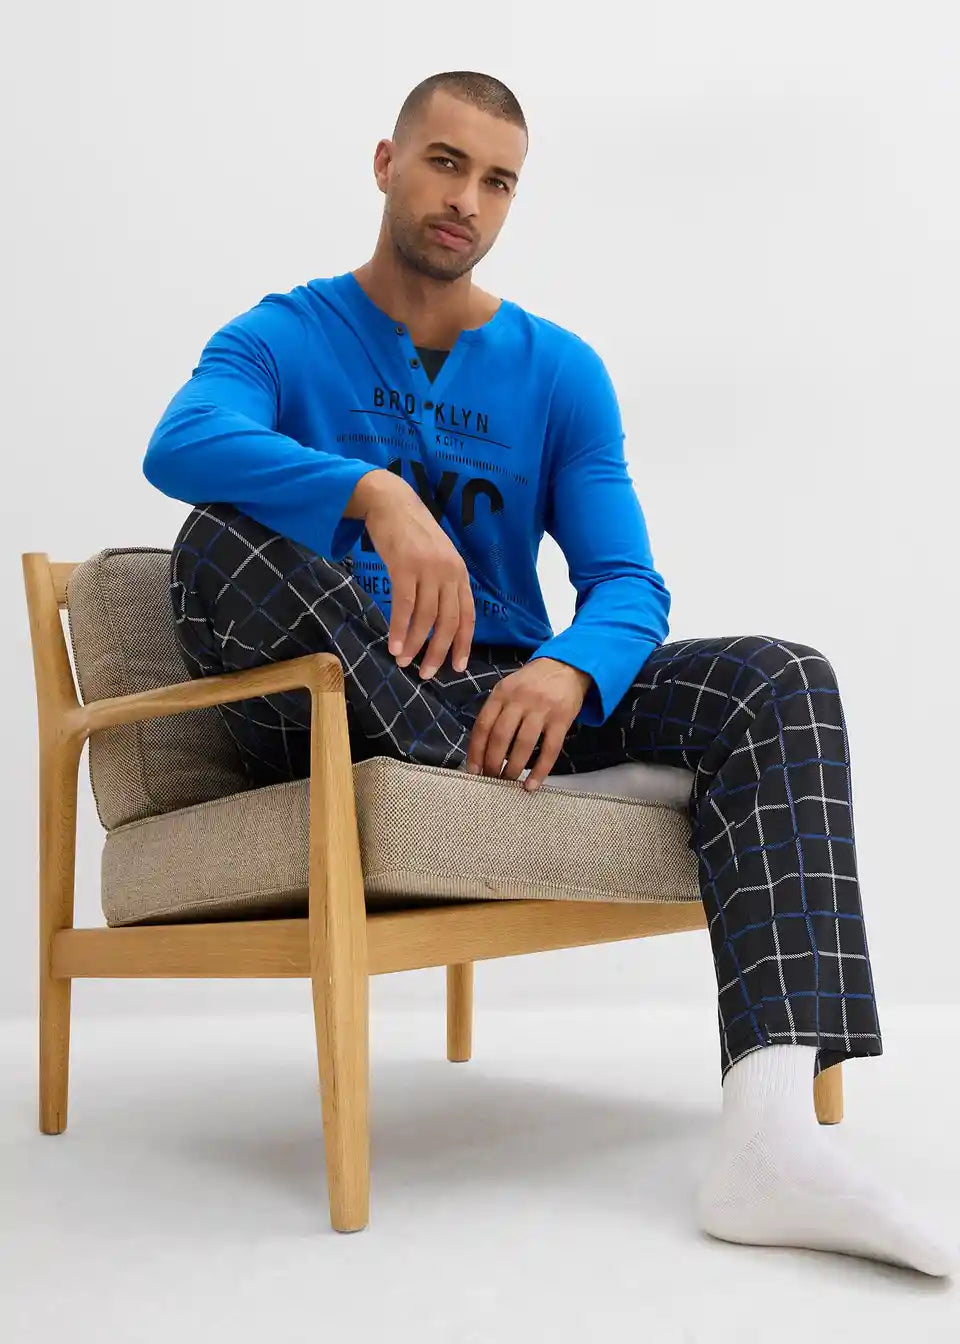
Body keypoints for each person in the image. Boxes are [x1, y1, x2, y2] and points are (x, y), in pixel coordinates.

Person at [142, 70, 957, 1276]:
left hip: (514, 703)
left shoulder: (560, 370)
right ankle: (531, 777)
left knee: (781, 677)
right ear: (386, 162)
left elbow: (627, 582)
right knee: (217, 542)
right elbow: (180, 443)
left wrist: (570, 673)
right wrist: (374, 495)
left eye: (498, 180)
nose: (465, 199)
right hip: (342, 697)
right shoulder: (280, 336)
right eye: (444, 163)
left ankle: (772, 1142)